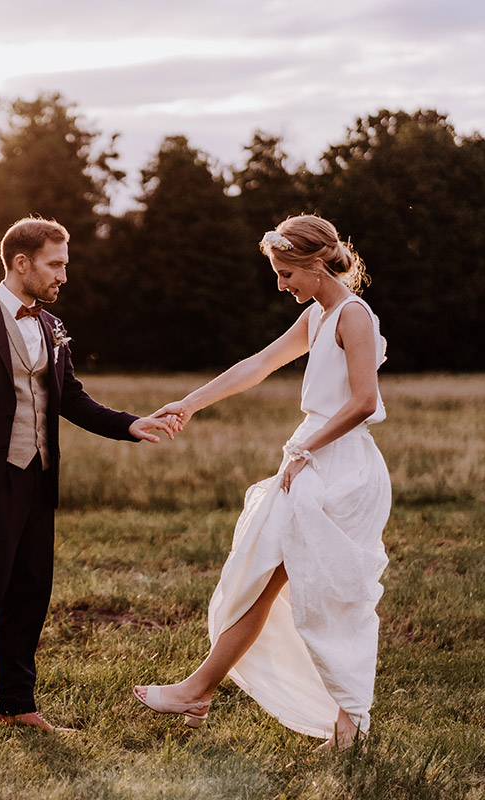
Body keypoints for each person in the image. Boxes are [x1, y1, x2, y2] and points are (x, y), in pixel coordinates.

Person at [0, 217, 173, 739]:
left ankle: (15, 705)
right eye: (56, 264)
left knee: (30, 593)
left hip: (38, 478)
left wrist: (131, 424)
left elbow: (72, 400)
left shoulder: (50, 328)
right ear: (22, 263)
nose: (64, 276)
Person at [133, 214, 391, 751]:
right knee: (264, 575)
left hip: (340, 469)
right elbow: (258, 364)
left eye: (284, 273)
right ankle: (200, 688)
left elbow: (364, 402)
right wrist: (188, 403)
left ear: (315, 264)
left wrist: (305, 451)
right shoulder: (319, 317)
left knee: (334, 595)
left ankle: (345, 726)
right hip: (308, 460)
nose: (280, 285)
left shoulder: (353, 316)